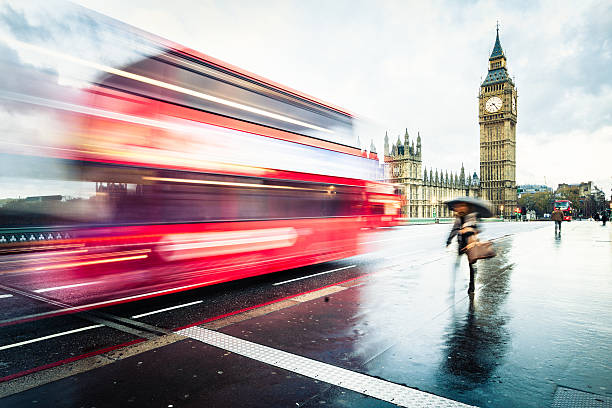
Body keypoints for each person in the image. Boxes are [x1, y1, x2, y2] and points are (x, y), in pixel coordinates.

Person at [446, 203, 479, 293]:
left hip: (471, 243)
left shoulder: (472, 215)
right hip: (461, 243)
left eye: (462, 206)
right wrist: (449, 241)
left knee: (471, 266)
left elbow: (476, 228)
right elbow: (454, 228)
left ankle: (472, 284)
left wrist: (467, 228)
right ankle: (453, 284)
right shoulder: (458, 217)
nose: (460, 208)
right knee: (456, 264)